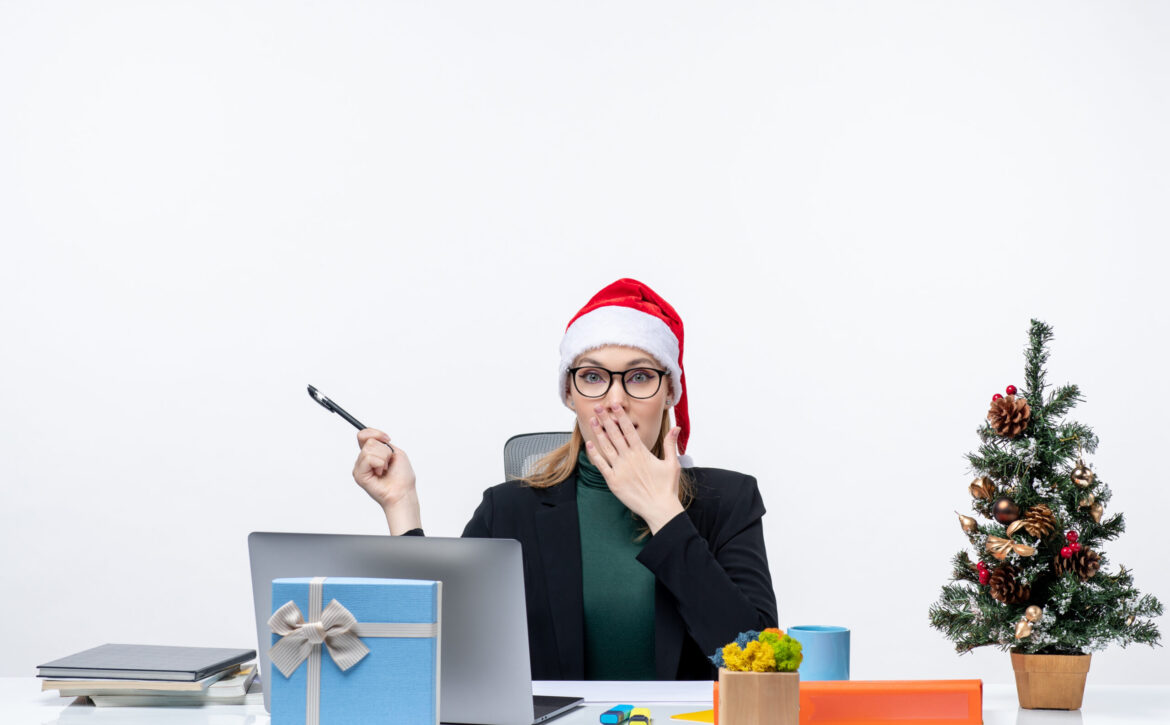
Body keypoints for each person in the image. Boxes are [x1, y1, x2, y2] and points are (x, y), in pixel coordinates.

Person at [351, 278, 777, 680]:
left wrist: (664, 513)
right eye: (592, 377)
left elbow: (761, 668)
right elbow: (441, 657)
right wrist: (400, 505)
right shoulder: (508, 511)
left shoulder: (729, 500)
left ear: (670, 392)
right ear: (569, 394)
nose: (615, 401)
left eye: (640, 376)